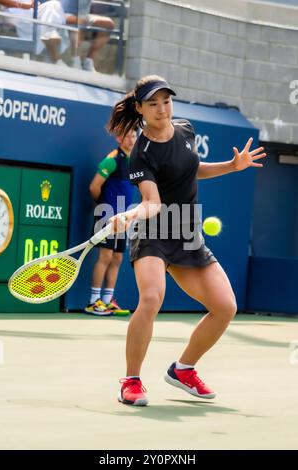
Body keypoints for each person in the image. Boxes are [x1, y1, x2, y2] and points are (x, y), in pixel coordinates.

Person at [107, 75, 267, 406]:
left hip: (187, 234)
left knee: (225, 307)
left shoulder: (185, 130)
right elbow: (152, 202)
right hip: (153, 233)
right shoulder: (142, 154)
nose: (162, 108)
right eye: (152, 103)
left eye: (165, 101)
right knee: (151, 299)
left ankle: (184, 369)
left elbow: (191, 169)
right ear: (140, 109)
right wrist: (130, 215)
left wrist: (233, 166)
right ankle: (132, 380)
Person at [85, 127, 137, 316]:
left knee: (117, 258)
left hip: (123, 219)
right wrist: (102, 206)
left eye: (134, 136)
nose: (131, 140)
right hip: (106, 215)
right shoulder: (112, 160)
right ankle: (93, 302)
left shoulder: (135, 162)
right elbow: (94, 187)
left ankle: (107, 302)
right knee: (105, 257)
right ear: (118, 138)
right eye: (127, 136)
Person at [0, 0, 69, 64]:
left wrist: (32, 3)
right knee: (47, 25)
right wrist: (23, 5)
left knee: (54, 4)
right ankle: (54, 60)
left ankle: (49, 35)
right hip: (13, 11)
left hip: (31, 11)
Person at [61, 0, 114, 71]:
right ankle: (75, 60)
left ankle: (88, 61)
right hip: (64, 13)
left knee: (108, 24)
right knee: (82, 21)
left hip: (83, 16)